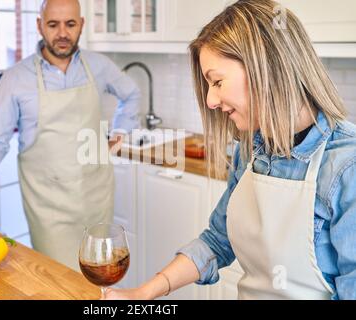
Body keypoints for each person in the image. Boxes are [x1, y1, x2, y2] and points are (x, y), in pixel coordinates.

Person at [104, 0, 356, 300]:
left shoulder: (345, 167)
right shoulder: (250, 150)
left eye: (217, 81)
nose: (211, 100)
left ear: (265, 66)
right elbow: (217, 241)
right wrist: (141, 294)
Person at [0, 0, 141, 271]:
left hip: (97, 197)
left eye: (70, 24)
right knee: (60, 282)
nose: (62, 33)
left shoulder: (99, 66)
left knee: (99, 277)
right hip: (49, 210)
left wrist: (120, 131)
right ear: (39, 25)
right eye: (53, 24)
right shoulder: (16, 78)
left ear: (81, 25)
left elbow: (132, 93)